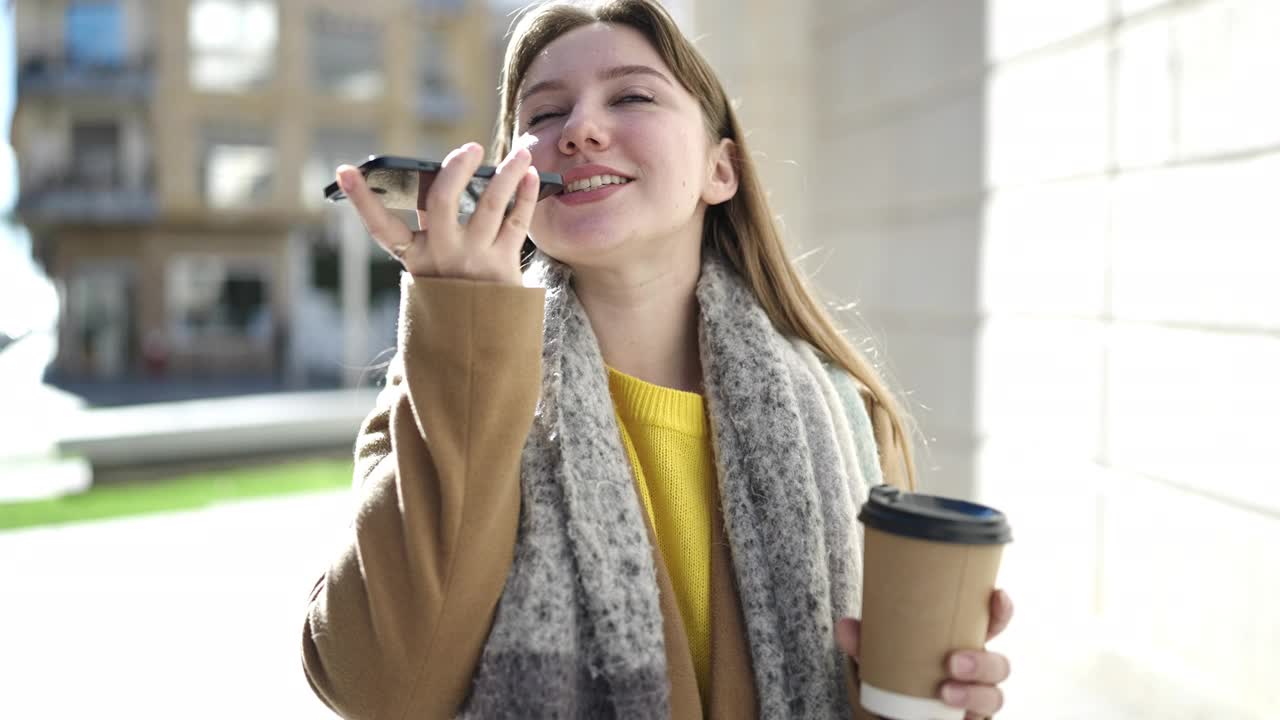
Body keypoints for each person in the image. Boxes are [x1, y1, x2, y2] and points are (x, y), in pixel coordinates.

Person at [301, 1, 1014, 718]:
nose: (579, 130)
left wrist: (935, 701)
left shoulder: (847, 417)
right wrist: (461, 324)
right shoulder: (445, 381)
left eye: (632, 96)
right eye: (543, 116)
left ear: (721, 170)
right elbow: (381, 689)